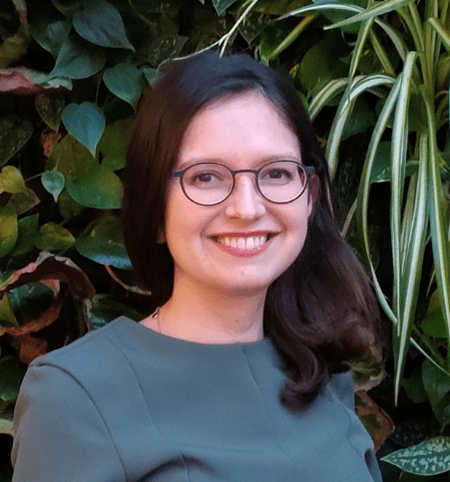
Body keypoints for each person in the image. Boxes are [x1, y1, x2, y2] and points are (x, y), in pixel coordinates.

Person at [11, 50, 384, 481]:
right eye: (206, 176)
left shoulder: (322, 371)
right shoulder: (75, 395)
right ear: (154, 212)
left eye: (276, 173)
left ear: (309, 196)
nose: (246, 208)